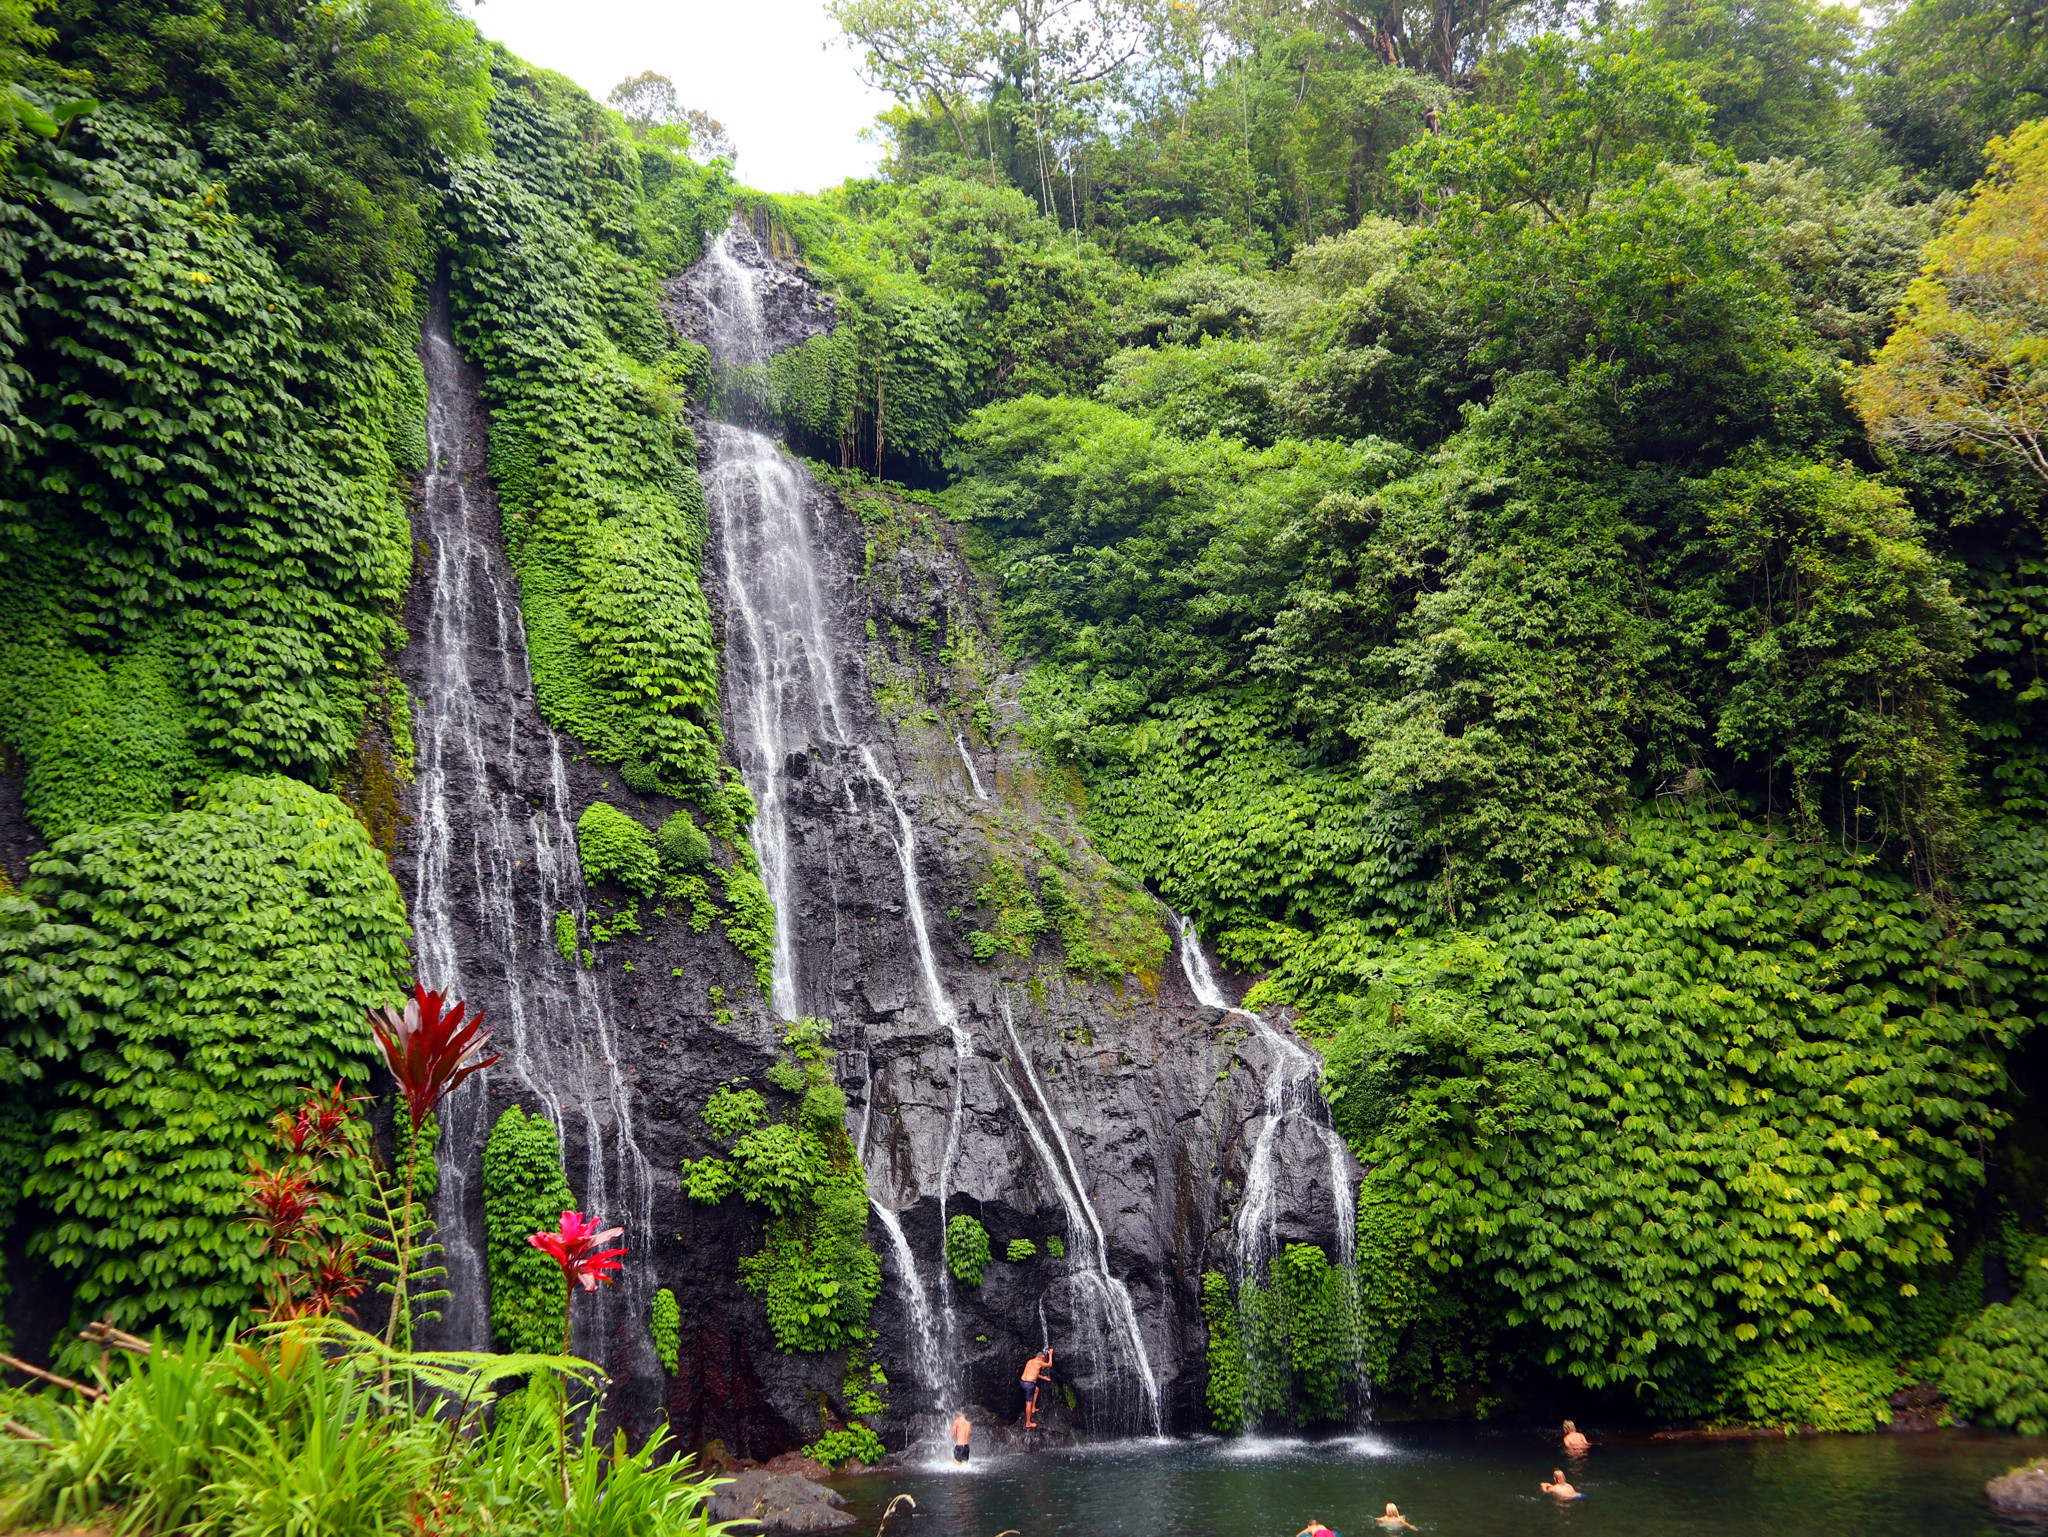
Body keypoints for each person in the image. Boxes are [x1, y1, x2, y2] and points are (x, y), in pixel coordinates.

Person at [1020, 1348, 1052, 1429]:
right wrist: (1050, 1354)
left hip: (1023, 1382)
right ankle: (1028, 1422)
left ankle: (1033, 1408)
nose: (1043, 1361)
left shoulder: (1030, 1361)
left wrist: (1043, 1377)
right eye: (1043, 1359)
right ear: (1041, 1358)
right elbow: (1049, 1364)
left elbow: (1034, 1373)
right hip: (1029, 1385)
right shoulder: (1039, 1362)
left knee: (1036, 1390)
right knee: (1028, 1403)